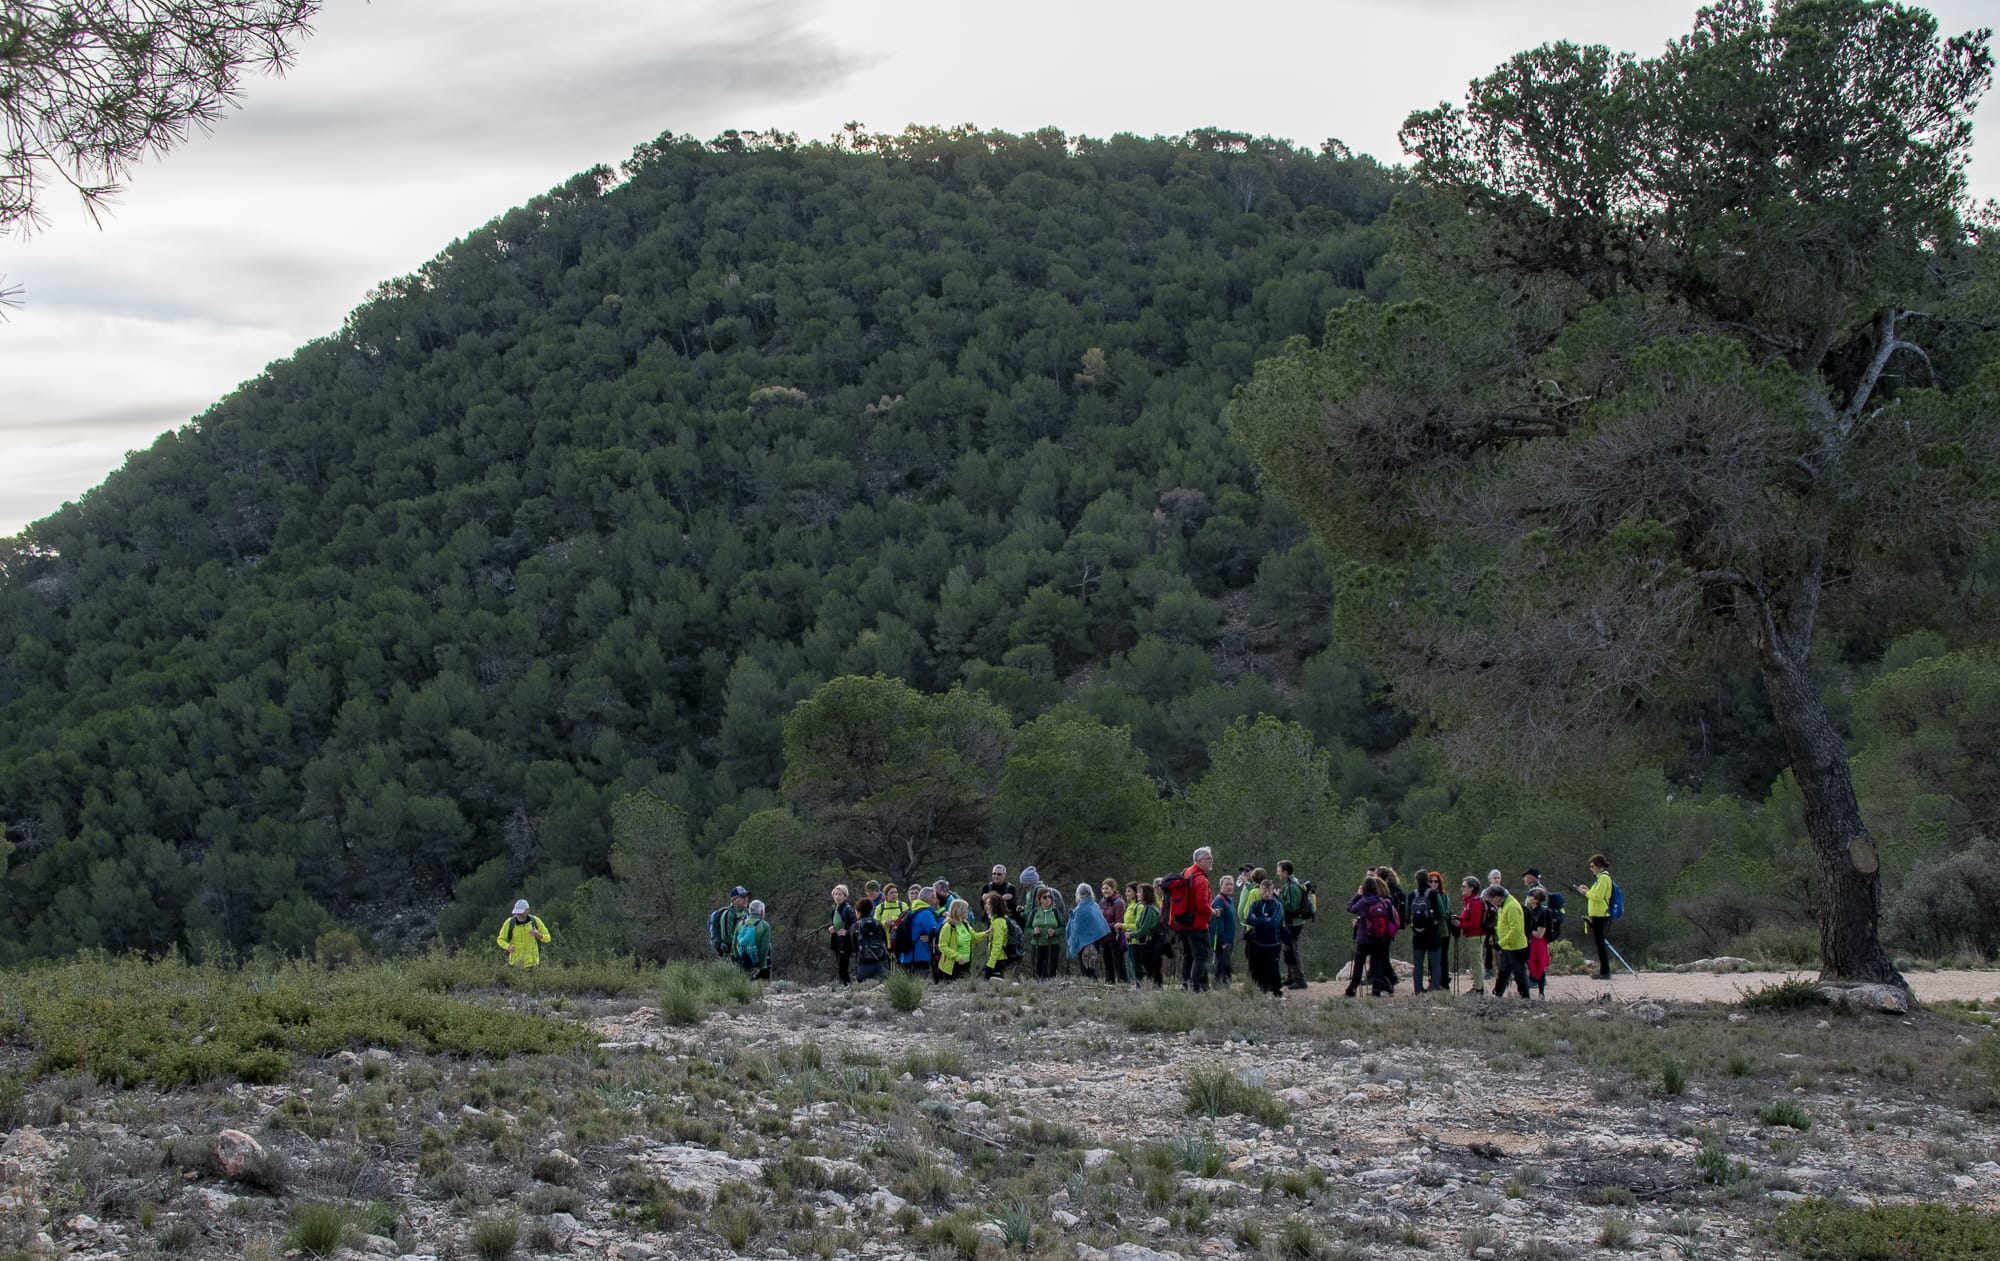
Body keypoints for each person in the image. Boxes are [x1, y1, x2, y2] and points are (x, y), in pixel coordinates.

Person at [1344, 876, 1399, 997]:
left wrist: (1358, 894)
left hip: (1363, 939)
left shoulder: (1363, 902)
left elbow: (1350, 907)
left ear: (1365, 888)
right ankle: (1376, 990)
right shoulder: (1382, 902)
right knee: (1377, 965)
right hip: (1378, 939)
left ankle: (1352, 989)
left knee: (1358, 966)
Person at [1174, 847, 1215, 992]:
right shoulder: (1201, 879)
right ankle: (1195, 988)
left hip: (1183, 922)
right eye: (1209, 859)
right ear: (1200, 860)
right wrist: (1213, 911)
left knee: (1188, 955)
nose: (1212, 862)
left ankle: (1188, 985)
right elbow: (1202, 905)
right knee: (1200, 956)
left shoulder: (1186, 872)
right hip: (1197, 924)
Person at [1409, 871, 1450, 994]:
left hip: (1417, 935)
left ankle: (1418, 990)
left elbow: (1407, 914)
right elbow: (1442, 913)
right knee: (1436, 963)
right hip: (1433, 934)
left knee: (1418, 965)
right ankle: (1435, 989)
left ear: (1416, 880)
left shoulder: (1412, 895)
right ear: (1427, 880)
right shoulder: (1433, 894)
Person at [1485, 885, 1530, 998]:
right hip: (1507, 946)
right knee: (1503, 972)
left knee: (1519, 973)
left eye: (1490, 899)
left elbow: (1515, 930)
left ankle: (1525, 998)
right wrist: (1493, 930)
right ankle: (1497, 995)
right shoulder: (1503, 906)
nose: (1490, 902)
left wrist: (1501, 943)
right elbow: (1504, 925)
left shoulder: (1512, 906)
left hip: (1516, 947)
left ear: (1496, 897)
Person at [1244, 879, 1286, 998]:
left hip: (1273, 942)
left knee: (1273, 967)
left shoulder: (1277, 905)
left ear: (1273, 891)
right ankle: (1259, 991)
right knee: (1256, 968)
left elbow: (1274, 922)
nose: (1266, 893)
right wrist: (1263, 919)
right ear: (1260, 891)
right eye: (1264, 890)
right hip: (1257, 942)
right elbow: (1249, 920)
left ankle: (1277, 991)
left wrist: (1258, 919)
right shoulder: (1255, 904)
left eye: (1269, 890)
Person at [1576, 854, 1615, 980]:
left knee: (1601, 943)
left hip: (1601, 915)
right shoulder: (1599, 879)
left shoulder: (1604, 879)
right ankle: (1603, 970)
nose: (1591, 868)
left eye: (1592, 866)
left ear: (1599, 866)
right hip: (1596, 914)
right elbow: (1596, 894)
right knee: (1599, 943)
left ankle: (1605, 971)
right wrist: (1588, 890)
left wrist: (1586, 892)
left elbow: (1598, 897)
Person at [1067, 884, 1113, 981]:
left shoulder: (1080, 910)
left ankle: (1091, 986)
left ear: (1079, 894)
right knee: (1091, 965)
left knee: (1086, 967)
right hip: (1095, 941)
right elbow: (1100, 925)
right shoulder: (1094, 905)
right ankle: (1093, 984)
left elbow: (1077, 929)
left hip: (1085, 944)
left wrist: (1085, 943)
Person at [1278, 860, 1310, 989]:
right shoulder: (1291, 883)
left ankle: (1300, 981)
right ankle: (1291, 977)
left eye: (1279, 871)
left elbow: (1291, 906)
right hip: (1292, 922)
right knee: (1288, 949)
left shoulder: (1292, 886)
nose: (1278, 874)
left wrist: (1278, 897)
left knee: (1291, 949)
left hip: (1293, 923)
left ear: (1285, 872)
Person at [496, 898, 550, 969]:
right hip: (515, 964)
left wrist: (540, 936)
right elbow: (500, 939)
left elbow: (548, 938)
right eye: (517, 912)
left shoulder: (535, 921)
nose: (519, 914)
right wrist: (507, 946)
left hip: (533, 964)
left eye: (521, 912)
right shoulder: (509, 923)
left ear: (527, 911)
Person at [1129, 883, 1165, 988]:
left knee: (1151, 968)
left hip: (1150, 944)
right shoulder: (1149, 907)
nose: (1138, 894)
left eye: (1140, 892)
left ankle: (1154, 990)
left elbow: (1144, 929)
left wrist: (1131, 935)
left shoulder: (1149, 909)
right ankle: (1155, 988)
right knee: (1153, 968)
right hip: (1153, 944)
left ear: (1147, 894)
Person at [972, 892, 1013, 979]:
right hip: (997, 959)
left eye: (988, 904)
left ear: (995, 906)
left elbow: (997, 945)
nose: (986, 906)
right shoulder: (995, 920)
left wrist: (991, 964)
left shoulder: (998, 922)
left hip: (999, 960)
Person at [1458, 876, 1488, 993]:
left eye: (1464, 886)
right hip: (1473, 935)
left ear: (1471, 888)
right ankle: (1478, 985)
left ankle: (1478, 988)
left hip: (1476, 935)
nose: (1462, 888)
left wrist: (1460, 924)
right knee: (1475, 961)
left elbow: (1475, 923)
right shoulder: (1469, 902)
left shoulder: (1474, 902)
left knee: (1476, 962)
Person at [935, 899, 976, 982]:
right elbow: (942, 946)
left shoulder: (965, 924)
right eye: (966, 909)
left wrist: (986, 933)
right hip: (951, 967)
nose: (967, 911)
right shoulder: (947, 927)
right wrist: (957, 956)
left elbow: (974, 937)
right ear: (959, 911)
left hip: (965, 963)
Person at [1028, 886, 1064, 979]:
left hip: (1053, 944)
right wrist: (1033, 931)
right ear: (1039, 900)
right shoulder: (1034, 912)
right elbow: (1027, 928)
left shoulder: (1055, 911)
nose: (1048, 899)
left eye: (1050, 897)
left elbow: (1062, 927)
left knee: (1052, 969)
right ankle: (1038, 989)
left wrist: (1055, 932)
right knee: (1037, 970)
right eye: (1045, 897)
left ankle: (1051, 988)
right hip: (1037, 944)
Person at [827, 884, 859, 986]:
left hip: (845, 942)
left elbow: (856, 923)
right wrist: (832, 928)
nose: (837, 896)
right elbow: (836, 924)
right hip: (838, 941)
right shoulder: (835, 909)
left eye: (840, 894)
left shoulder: (847, 909)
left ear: (845, 896)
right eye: (835, 894)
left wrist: (847, 932)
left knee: (842, 967)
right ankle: (846, 986)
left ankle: (848, 987)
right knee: (841, 966)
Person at [853, 897, 891, 982]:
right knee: (883, 989)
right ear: (871, 910)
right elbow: (885, 941)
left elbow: (854, 947)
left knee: (864, 990)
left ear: (858, 912)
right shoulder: (879, 924)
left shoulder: (856, 926)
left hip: (864, 963)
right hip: (882, 961)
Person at [904, 888, 940, 975]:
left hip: (906, 956)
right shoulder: (926, 913)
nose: (936, 900)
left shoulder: (912, 909)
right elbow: (936, 930)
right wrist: (945, 921)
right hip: (919, 955)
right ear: (929, 899)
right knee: (922, 985)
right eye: (934, 897)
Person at [1523, 888, 1552, 999]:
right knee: (1529, 964)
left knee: (1539, 965)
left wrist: (1527, 929)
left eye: (1530, 896)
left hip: (1538, 943)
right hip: (1529, 941)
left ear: (1536, 899)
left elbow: (1540, 934)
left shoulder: (1542, 912)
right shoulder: (1529, 910)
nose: (1528, 898)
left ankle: (1541, 992)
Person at [1098, 879, 1128, 983]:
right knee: (1107, 965)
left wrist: (1104, 925)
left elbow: (1119, 922)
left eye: (1107, 888)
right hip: (1104, 937)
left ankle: (1123, 985)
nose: (1105, 891)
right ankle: (1109, 985)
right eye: (1103, 888)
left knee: (1118, 964)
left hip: (1116, 938)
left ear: (1113, 889)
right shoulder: (1102, 902)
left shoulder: (1119, 903)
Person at [1211, 874, 1238, 987]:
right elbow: (1217, 923)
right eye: (1227, 884)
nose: (1230, 887)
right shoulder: (1219, 901)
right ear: (1221, 885)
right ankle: (1219, 986)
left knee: (1226, 964)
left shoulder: (1229, 900)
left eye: (1231, 884)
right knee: (1222, 964)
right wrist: (1222, 941)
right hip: (1222, 940)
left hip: (1229, 939)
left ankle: (1225, 986)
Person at [735, 899, 772, 980]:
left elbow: (735, 946)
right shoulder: (764, 926)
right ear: (762, 912)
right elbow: (764, 948)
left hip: (744, 964)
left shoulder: (740, 924)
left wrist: (739, 962)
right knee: (763, 990)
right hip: (760, 966)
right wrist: (760, 966)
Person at [712, 886, 749, 959]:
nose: (745, 899)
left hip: (744, 952)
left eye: (746, 896)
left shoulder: (747, 912)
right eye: (742, 896)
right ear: (734, 900)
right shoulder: (729, 914)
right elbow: (726, 936)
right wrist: (742, 943)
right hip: (731, 955)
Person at [1122, 882, 1143, 984]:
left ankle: (1143, 987)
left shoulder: (1139, 906)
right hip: (1129, 940)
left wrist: (1122, 926)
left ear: (1136, 892)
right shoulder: (1129, 905)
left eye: (1129, 891)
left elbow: (1138, 926)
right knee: (1134, 965)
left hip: (1137, 941)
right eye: (1126, 891)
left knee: (1138, 966)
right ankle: (1139, 986)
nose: (1126, 893)